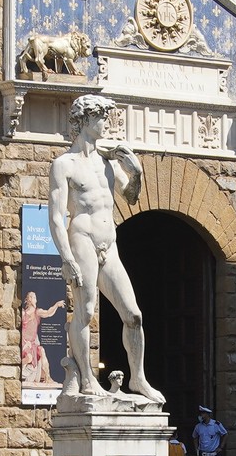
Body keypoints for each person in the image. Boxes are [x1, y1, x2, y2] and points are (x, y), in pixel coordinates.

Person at [47, 94, 164, 403]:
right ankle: (87, 379)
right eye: (101, 119)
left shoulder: (107, 162)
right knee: (85, 312)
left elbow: (131, 197)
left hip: (108, 242)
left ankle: (138, 379)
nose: (106, 125)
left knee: (133, 314)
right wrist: (66, 258)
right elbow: (57, 217)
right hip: (82, 239)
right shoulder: (64, 164)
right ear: (85, 121)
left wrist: (136, 172)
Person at [20, 291, 65, 386]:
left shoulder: (37, 312)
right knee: (29, 358)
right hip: (24, 342)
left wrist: (56, 305)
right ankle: (19, 369)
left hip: (32, 343)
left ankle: (47, 377)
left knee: (42, 351)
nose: (36, 300)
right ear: (30, 299)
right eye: (34, 298)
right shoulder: (23, 313)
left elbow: (48, 313)